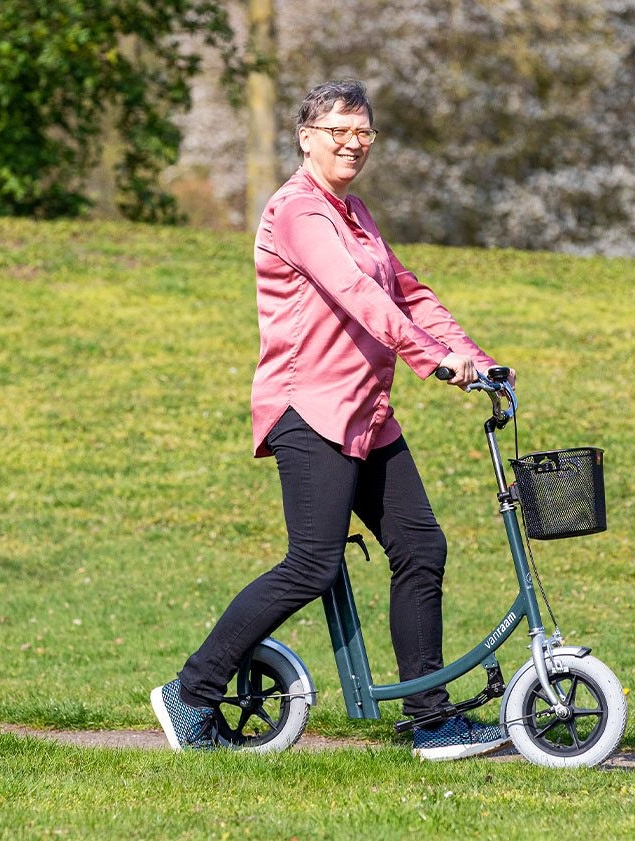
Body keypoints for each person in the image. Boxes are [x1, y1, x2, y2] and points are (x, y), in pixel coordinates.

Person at [151, 79, 512, 761]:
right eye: (339, 129)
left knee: (420, 548)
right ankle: (192, 690)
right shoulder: (297, 212)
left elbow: (408, 292)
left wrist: (475, 358)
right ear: (306, 136)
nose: (353, 142)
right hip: (308, 409)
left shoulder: (355, 213)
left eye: (363, 131)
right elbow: (351, 292)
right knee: (311, 563)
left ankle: (428, 720)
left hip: (367, 413)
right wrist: (427, 359)